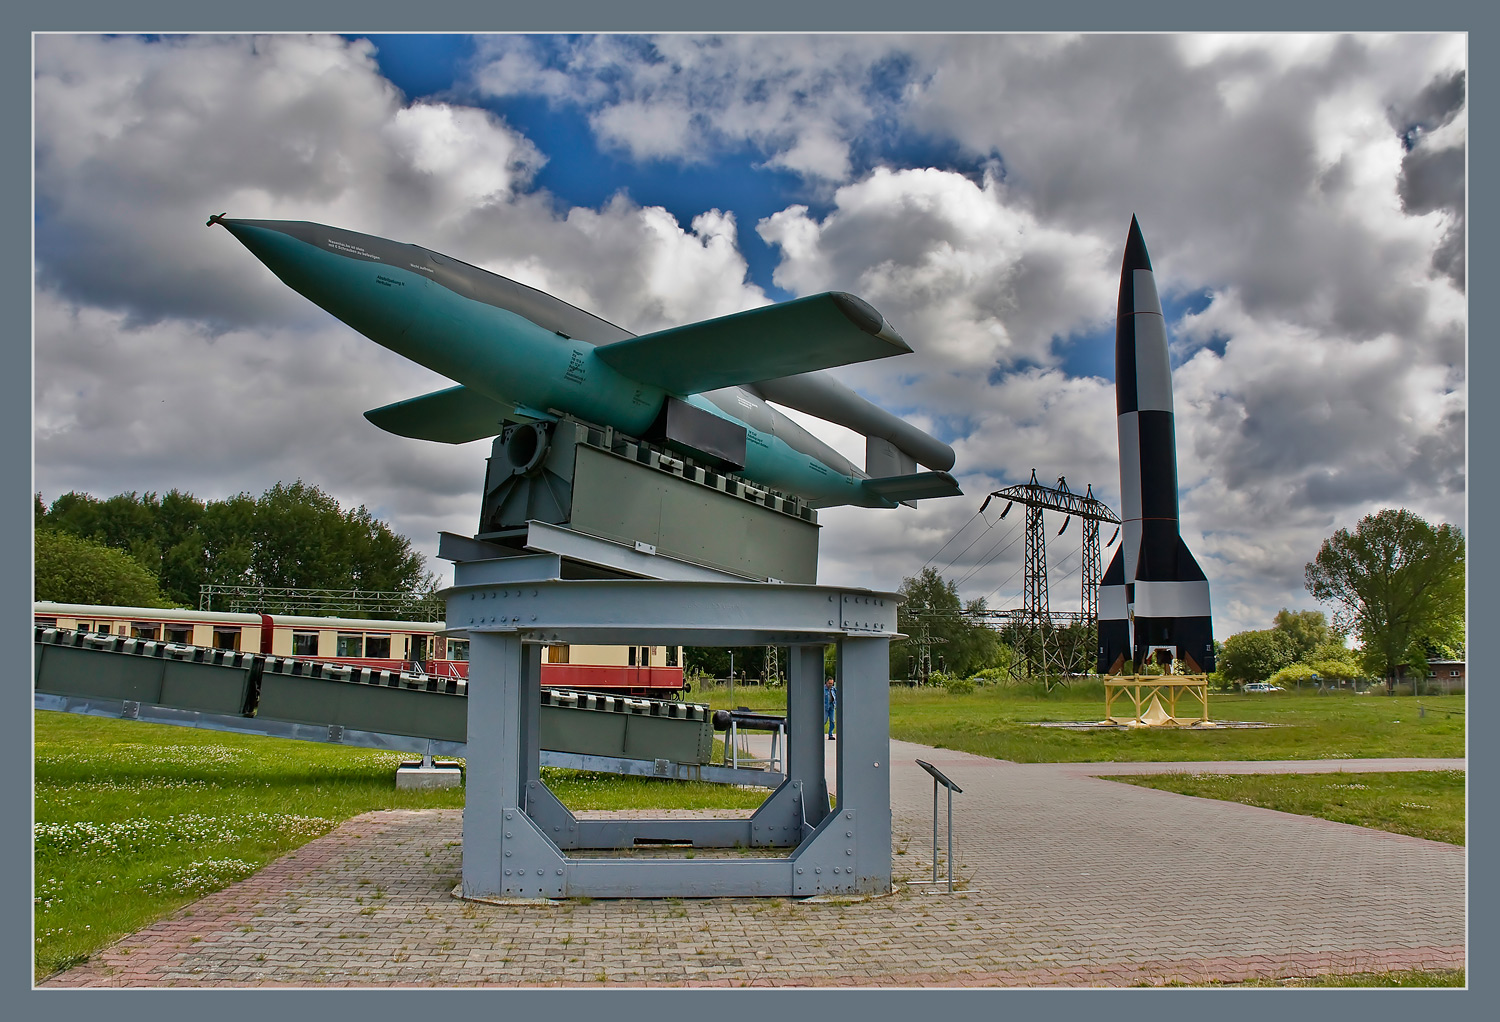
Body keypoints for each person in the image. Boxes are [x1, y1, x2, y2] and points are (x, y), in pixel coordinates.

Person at [824, 676, 837, 740]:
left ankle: (830, 734)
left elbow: (836, 696)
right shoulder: (823, 689)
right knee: (824, 720)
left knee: (832, 721)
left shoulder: (833, 689)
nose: (830, 685)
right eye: (829, 683)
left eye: (832, 683)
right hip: (825, 707)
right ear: (826, 683)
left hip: (832, 706)